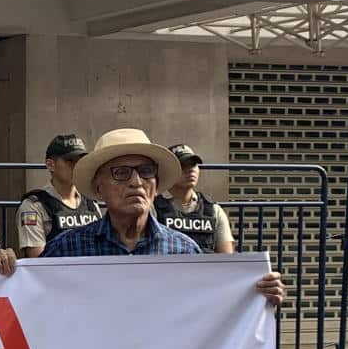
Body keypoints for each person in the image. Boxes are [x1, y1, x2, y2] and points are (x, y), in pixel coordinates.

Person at [36, 128, 283, 305]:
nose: (136, 182)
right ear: (99, 188)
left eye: (145, 172)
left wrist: (255, 296)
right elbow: (29, 300)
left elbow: (212, 308)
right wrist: (3, 272)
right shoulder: (66, 249)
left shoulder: (184, 251)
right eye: (121, 173)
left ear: (156, 185)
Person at [17, 134, 106, 258]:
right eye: (70, 161)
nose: (76, 166)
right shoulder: (34, 206)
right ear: (50, 165)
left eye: (80, 161)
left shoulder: (91, 203)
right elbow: (37, 260)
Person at [154, 144, 235, 253]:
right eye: (183, 165)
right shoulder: (153, 208)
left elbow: (226, 257)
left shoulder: (214, 211)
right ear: (169, 171)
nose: (190, 169)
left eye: (193, 164)